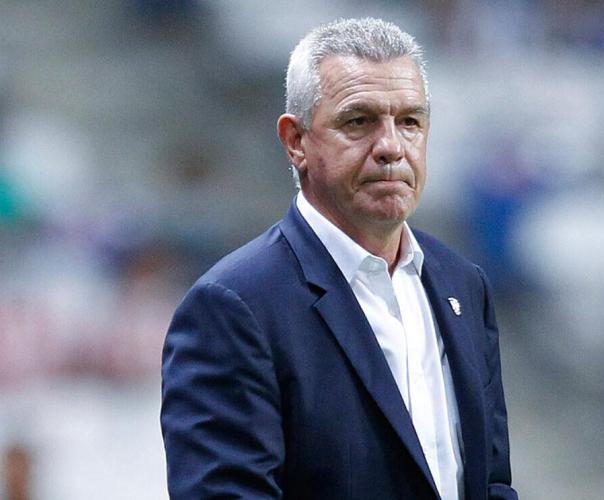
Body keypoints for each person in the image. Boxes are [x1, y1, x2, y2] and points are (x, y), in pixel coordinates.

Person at [161, 17, 518, 500]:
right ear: (296, 142)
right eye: (358, 121)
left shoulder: (463, 285)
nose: (391, 147)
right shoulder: (233, 306)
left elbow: (491, 481)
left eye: (410, 122)